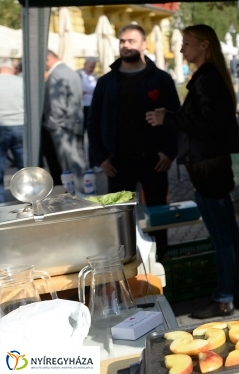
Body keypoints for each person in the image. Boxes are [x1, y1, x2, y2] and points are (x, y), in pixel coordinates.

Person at [146, 24, 239, 318]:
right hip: (210, 166)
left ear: (204, 45)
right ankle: (238, 292)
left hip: (208, 168)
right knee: (229, 233)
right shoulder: (208, 77)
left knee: (222, 237)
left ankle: (224, 298)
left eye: (187, 43)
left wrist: (168, 118)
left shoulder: (208, 79)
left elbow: (207, 125)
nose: (181, 49)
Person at [88, 24, 180, 247]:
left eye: (131, 41)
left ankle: (161, 257)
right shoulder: (106, 82)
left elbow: (176, 119)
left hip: (154, 161)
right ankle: (125, 259)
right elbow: (93, 122)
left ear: (144, 45)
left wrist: (169, 152)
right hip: (117, 162)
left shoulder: (161, 79)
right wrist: (101, 157)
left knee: (158, 217)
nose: (126, 45)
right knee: (119, 220)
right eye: (122, 41)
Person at [42, 50, 86, 187]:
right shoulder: (70, 71)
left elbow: (57, 106)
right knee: (76, 162)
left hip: (63, 128)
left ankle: (76, 193)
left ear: (47, 60)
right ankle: (80, 190)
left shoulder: (56, 74)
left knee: (68, 166)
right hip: (74, 123)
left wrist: (52, 125)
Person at [0, 58, 24, 203]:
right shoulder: (21, 82)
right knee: (25, 168)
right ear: (12, 67)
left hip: (1, 125)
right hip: (20, 125)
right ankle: (29, 200)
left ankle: (1, 206)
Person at [78, 58, 97, 134]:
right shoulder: (78, 75)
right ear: (85, 65)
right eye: (90, 67)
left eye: (93, 67)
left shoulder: (95, 77)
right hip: (81, 106)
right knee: (81, 128)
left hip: (92, 106)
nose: (91, 69)